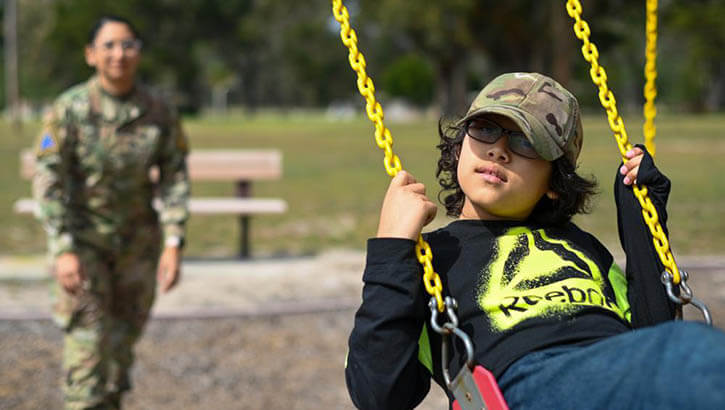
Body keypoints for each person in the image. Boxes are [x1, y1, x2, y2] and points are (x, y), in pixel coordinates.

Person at [345, 72, 725, 409]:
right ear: (460, 145)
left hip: (621, 364)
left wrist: (642, 213)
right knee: (689, 352)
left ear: (555, 184)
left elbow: (652, 328)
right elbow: (378, 394)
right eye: (485, 129)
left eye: (526, 143)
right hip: (525, 381)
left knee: (685, 351)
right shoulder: (431, 258)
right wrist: (392, 246)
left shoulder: (584, 248)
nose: (499, 149)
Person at [32, 15, 190, 409]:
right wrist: (64, 247)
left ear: (138, 52)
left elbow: (174, 176)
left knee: (119, 359)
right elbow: (48, 180)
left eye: (128, 45)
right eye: (108, 45)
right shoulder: (69, 110)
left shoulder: (158, 110)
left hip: (137, 251)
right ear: (91, 55)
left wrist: (174, 242)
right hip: (83, 249)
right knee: (87, 356)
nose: (119, 54)